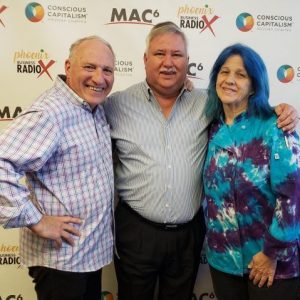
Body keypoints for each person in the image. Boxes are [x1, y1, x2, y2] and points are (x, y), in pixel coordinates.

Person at [104, 21, 298, 300]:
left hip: (193, 237)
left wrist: (283, 110)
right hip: (139, 232)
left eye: (177, 55)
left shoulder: (209, 105)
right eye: (159, 54)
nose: (168, 63)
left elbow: (292, 193)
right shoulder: (117, 104)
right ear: (145, 59)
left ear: (187, 62)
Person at [0, 36, 115, 300]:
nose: (99, 78)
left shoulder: (93, 107)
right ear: (68, 67)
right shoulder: (51, 113)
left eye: (107, 70)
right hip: (60, 262)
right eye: (89, 67)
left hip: (86, 256)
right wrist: (37, 221)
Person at [202, 43, 300, 300]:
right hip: (223, 260)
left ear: (254, 85)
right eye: (224, 72)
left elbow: (292, 197)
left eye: (241, 74)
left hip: (270, 265)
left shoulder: (275, 127)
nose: (230, 80)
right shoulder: (212, 127)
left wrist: (271, 254)